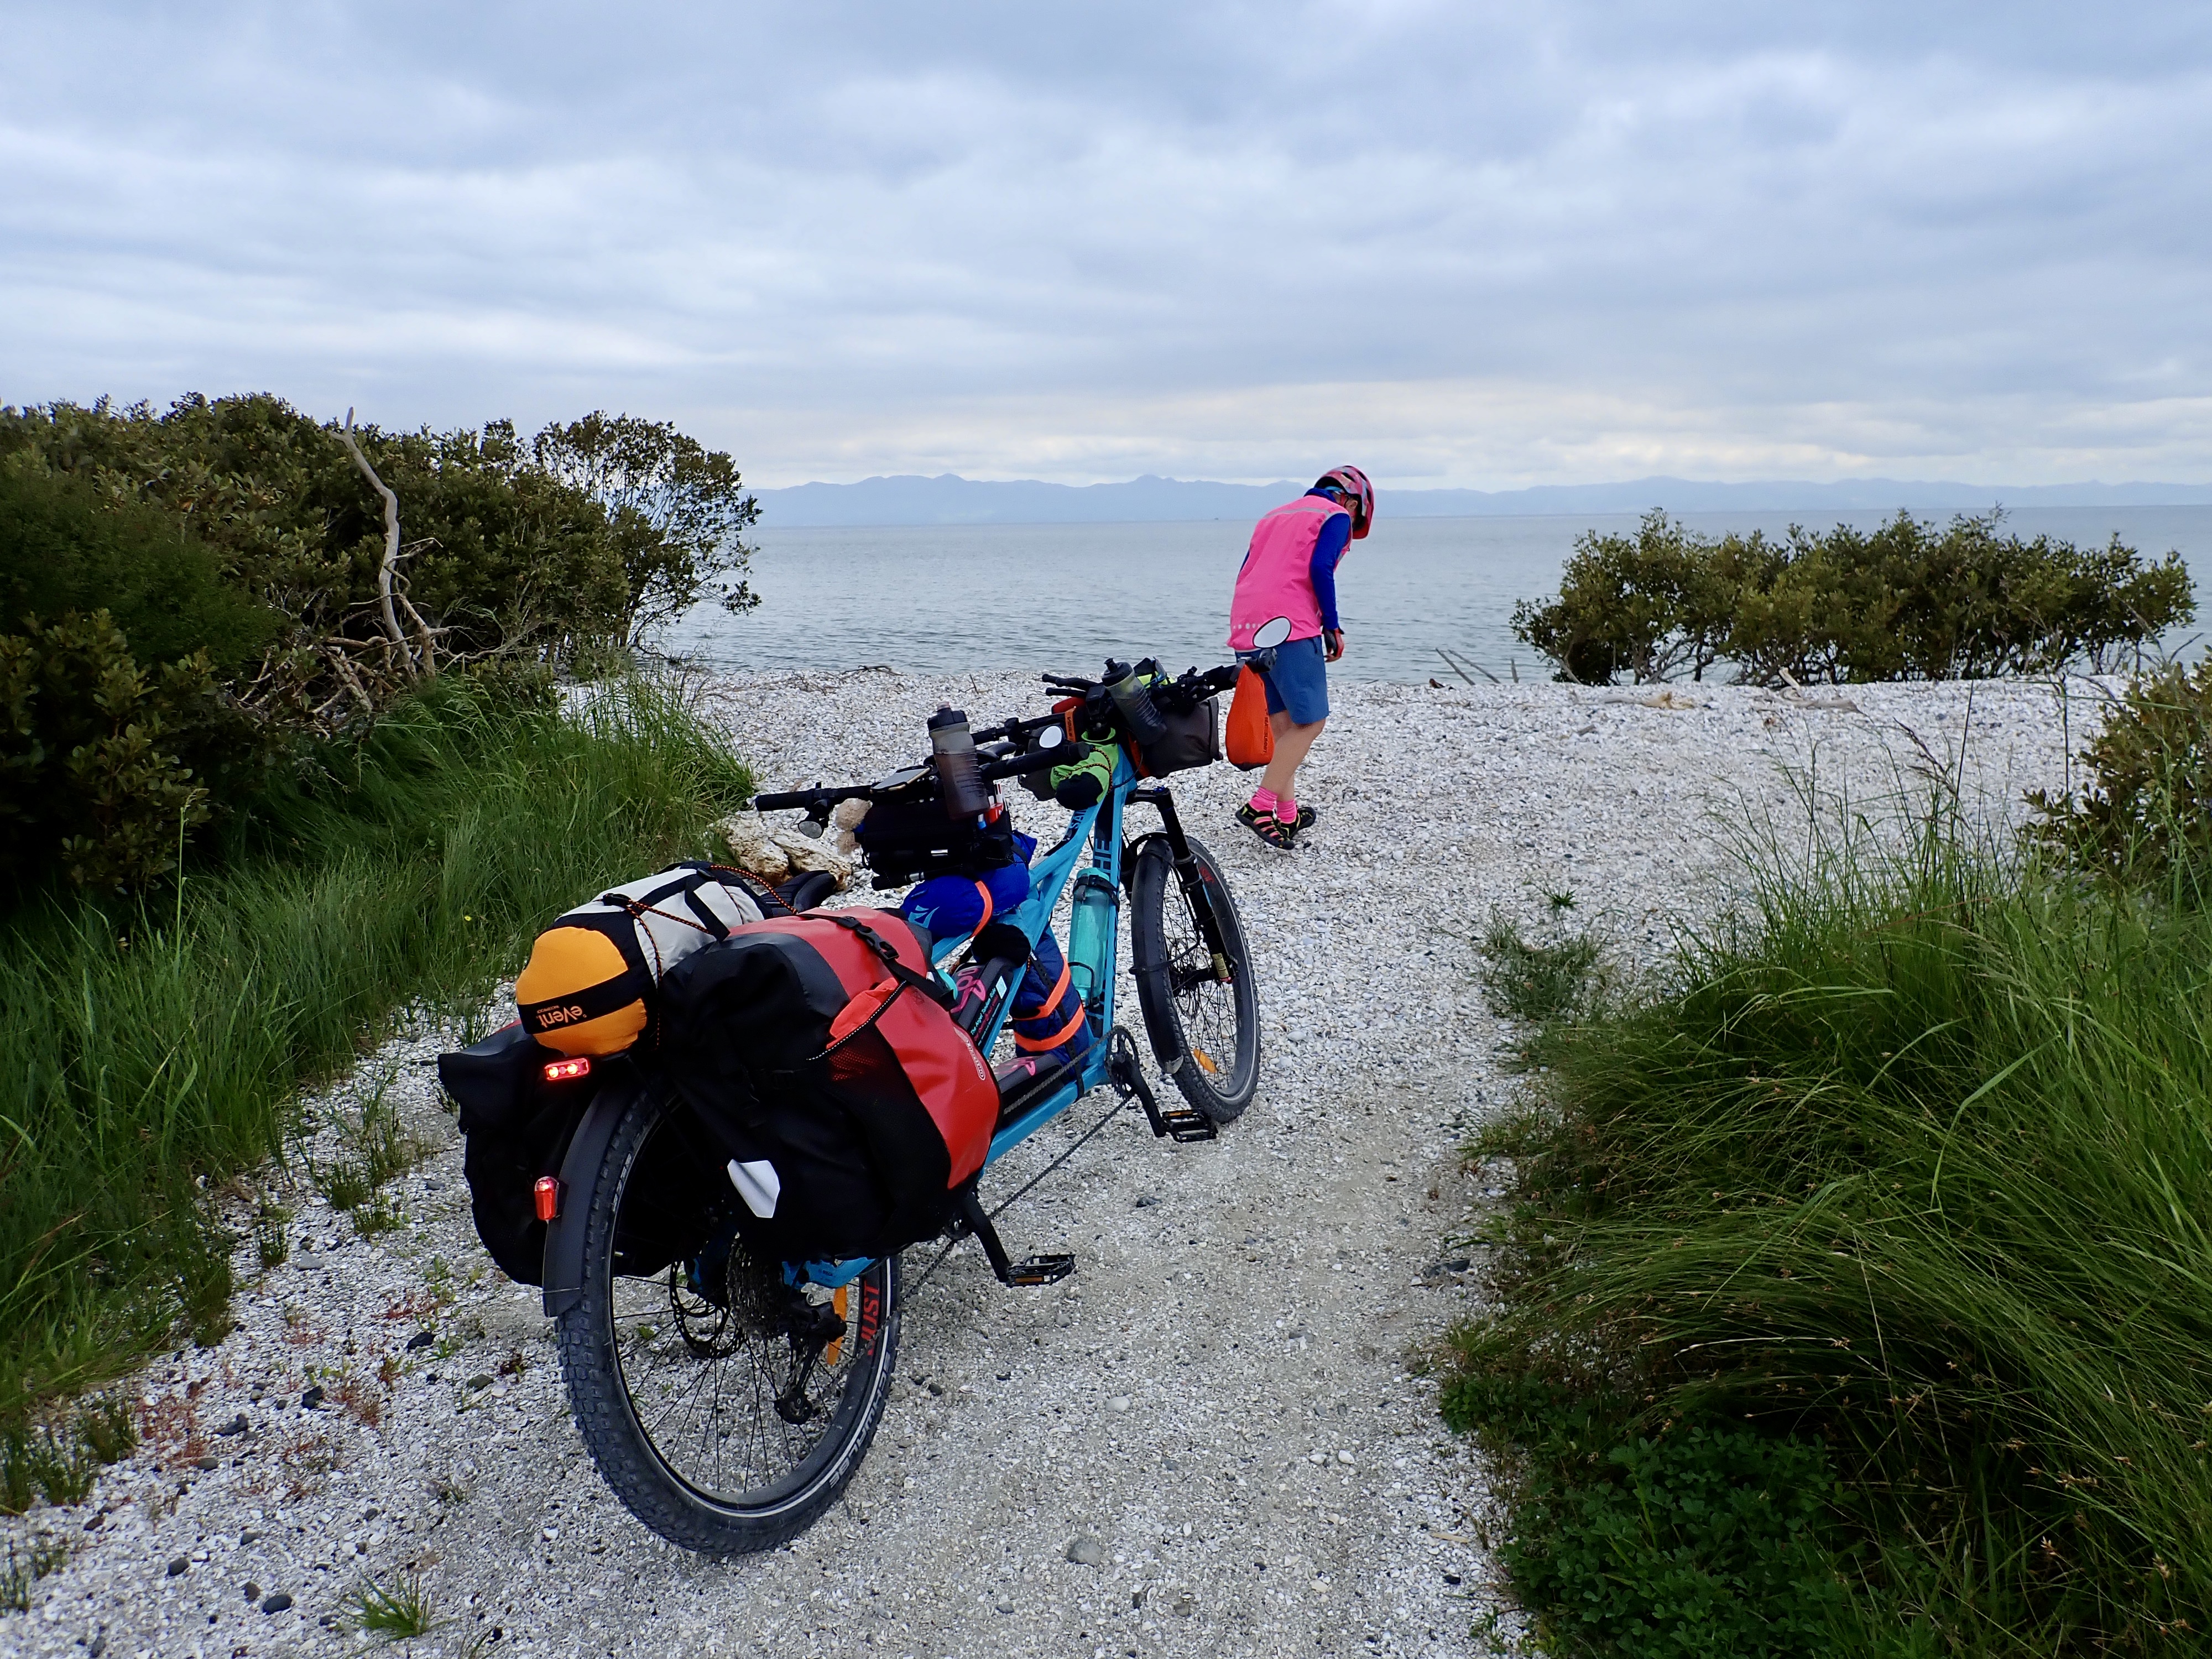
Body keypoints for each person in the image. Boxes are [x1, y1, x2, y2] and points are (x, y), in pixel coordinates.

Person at [1225, 465, 1374, 848]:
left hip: (1246, 622)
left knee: (1284, 725)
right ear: (1352, 502)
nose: (1351, 522)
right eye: (1356, 515)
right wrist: (1332, 626)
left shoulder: (1274, 516)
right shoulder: (1335, 515)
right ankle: (1260, 806)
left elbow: (1247, 570)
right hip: (1288, 625)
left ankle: (1287, 815)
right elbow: (1321, 567)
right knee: (1311, 722)